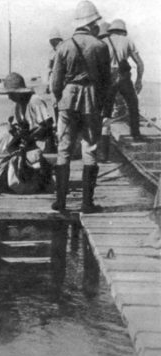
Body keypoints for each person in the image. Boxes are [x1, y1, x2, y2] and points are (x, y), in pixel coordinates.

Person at [50, 0, 111, 213]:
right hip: (91, 100)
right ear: (93, 22)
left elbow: (55, 83)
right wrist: (101, 104)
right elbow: (106, 81)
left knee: (64, 148)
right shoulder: (100, 46)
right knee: (90, 147)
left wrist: (60, 99)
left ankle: (60, 202)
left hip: (67, 100)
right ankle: (87, 203)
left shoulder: (63, 46)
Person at [101, 19, 145, 142]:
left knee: (107, 109)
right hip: (124, 77)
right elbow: (140, 64)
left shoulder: (103, 42)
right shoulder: (128, 41)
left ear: (111, 30)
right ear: (123, 30)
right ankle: (136, 135)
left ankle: (104, 141)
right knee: (133, 105)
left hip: (109, 77)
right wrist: (139, 80)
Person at [2, 72, 56, 153]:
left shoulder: (34, 100)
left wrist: (30, 137)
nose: (9, 97)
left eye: (11, 94)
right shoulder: (17, 105)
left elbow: (48, 124)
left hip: (42, 143)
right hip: (28, 143)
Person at [47, 27, 63, 96]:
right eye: (51, 41)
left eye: (54, 40)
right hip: (54, 77)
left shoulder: (64, 48)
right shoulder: (52, 52)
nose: (52, 43)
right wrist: (48, 84)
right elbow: (49, 68)